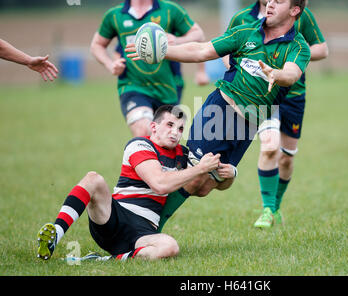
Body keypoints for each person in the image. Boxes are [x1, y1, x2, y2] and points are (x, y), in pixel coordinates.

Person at [127, 0, 311, 231]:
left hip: (251, 123)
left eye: (278, 1)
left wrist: (276, 75)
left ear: (294, 11)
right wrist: (163, 51)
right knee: (195, 177)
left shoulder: (298, 46)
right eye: (269, 0)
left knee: (207, 185)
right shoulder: (245, 32)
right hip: (220, 110)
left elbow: (291, 74)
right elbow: (201, 50)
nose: (269, 4)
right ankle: (146, 227)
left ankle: (169, 172)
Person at [36, 105, 225, 261]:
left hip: (143, 230)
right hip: (113, 217)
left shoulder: (182, 155)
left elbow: (211, 186)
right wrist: (200, 168)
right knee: (93, 178)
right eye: (169, 125)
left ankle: (103, 260)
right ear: (153, 127)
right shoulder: (139, 145)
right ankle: (55, 235)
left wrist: (231, 173)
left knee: (170, 247)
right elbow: (159, 184)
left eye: (180, 128)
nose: (175, 132)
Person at [226, 0, 328, 228]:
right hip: (260, 96)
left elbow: (322, 49)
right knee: (269, 146)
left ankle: (276, 205)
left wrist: (289, 56)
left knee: (286, 157)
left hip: (292, 93)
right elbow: (226, 50)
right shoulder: (241, 19)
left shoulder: (300, 16)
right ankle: (267, 210)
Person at [90, 0, 205, 137]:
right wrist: (110, 64)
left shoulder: (170, 10)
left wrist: (177, 39)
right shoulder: (115, 15)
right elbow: (96, 45)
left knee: (166, 141)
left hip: (167, 89)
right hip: (133, 86)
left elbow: (198, 33)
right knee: (144, 131)